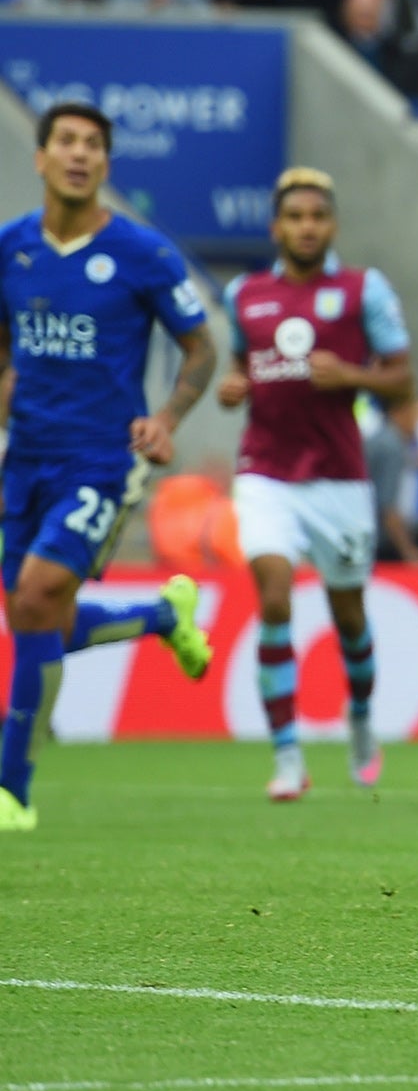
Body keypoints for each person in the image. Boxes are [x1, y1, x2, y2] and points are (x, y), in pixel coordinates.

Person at [0, 104, 216, 832]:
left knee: (32, 599)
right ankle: (162, 614)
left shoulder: (142, 252)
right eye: (65, 141)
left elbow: (201, 348)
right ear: (40, 157)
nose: (79, 155)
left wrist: (167, 420)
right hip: (23, 458)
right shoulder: (12, 248)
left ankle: (12, 790)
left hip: (100, 461)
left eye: (93, 145)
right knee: (40, 625)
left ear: (106, 163)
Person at [216, 168, 413, 802]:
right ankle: (287, 757)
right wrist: (233, 387)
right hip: (267, 473)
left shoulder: (363, 291)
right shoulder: (243, 294)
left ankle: (358, 718)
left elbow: (404, 379)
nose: (307, 227)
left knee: (348, 617)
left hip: (339, 479)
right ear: (276, 227)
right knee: (273, 598)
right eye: (295, 217)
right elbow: (241, 367)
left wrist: (354, 375)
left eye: (318, 217)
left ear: (331, 226)